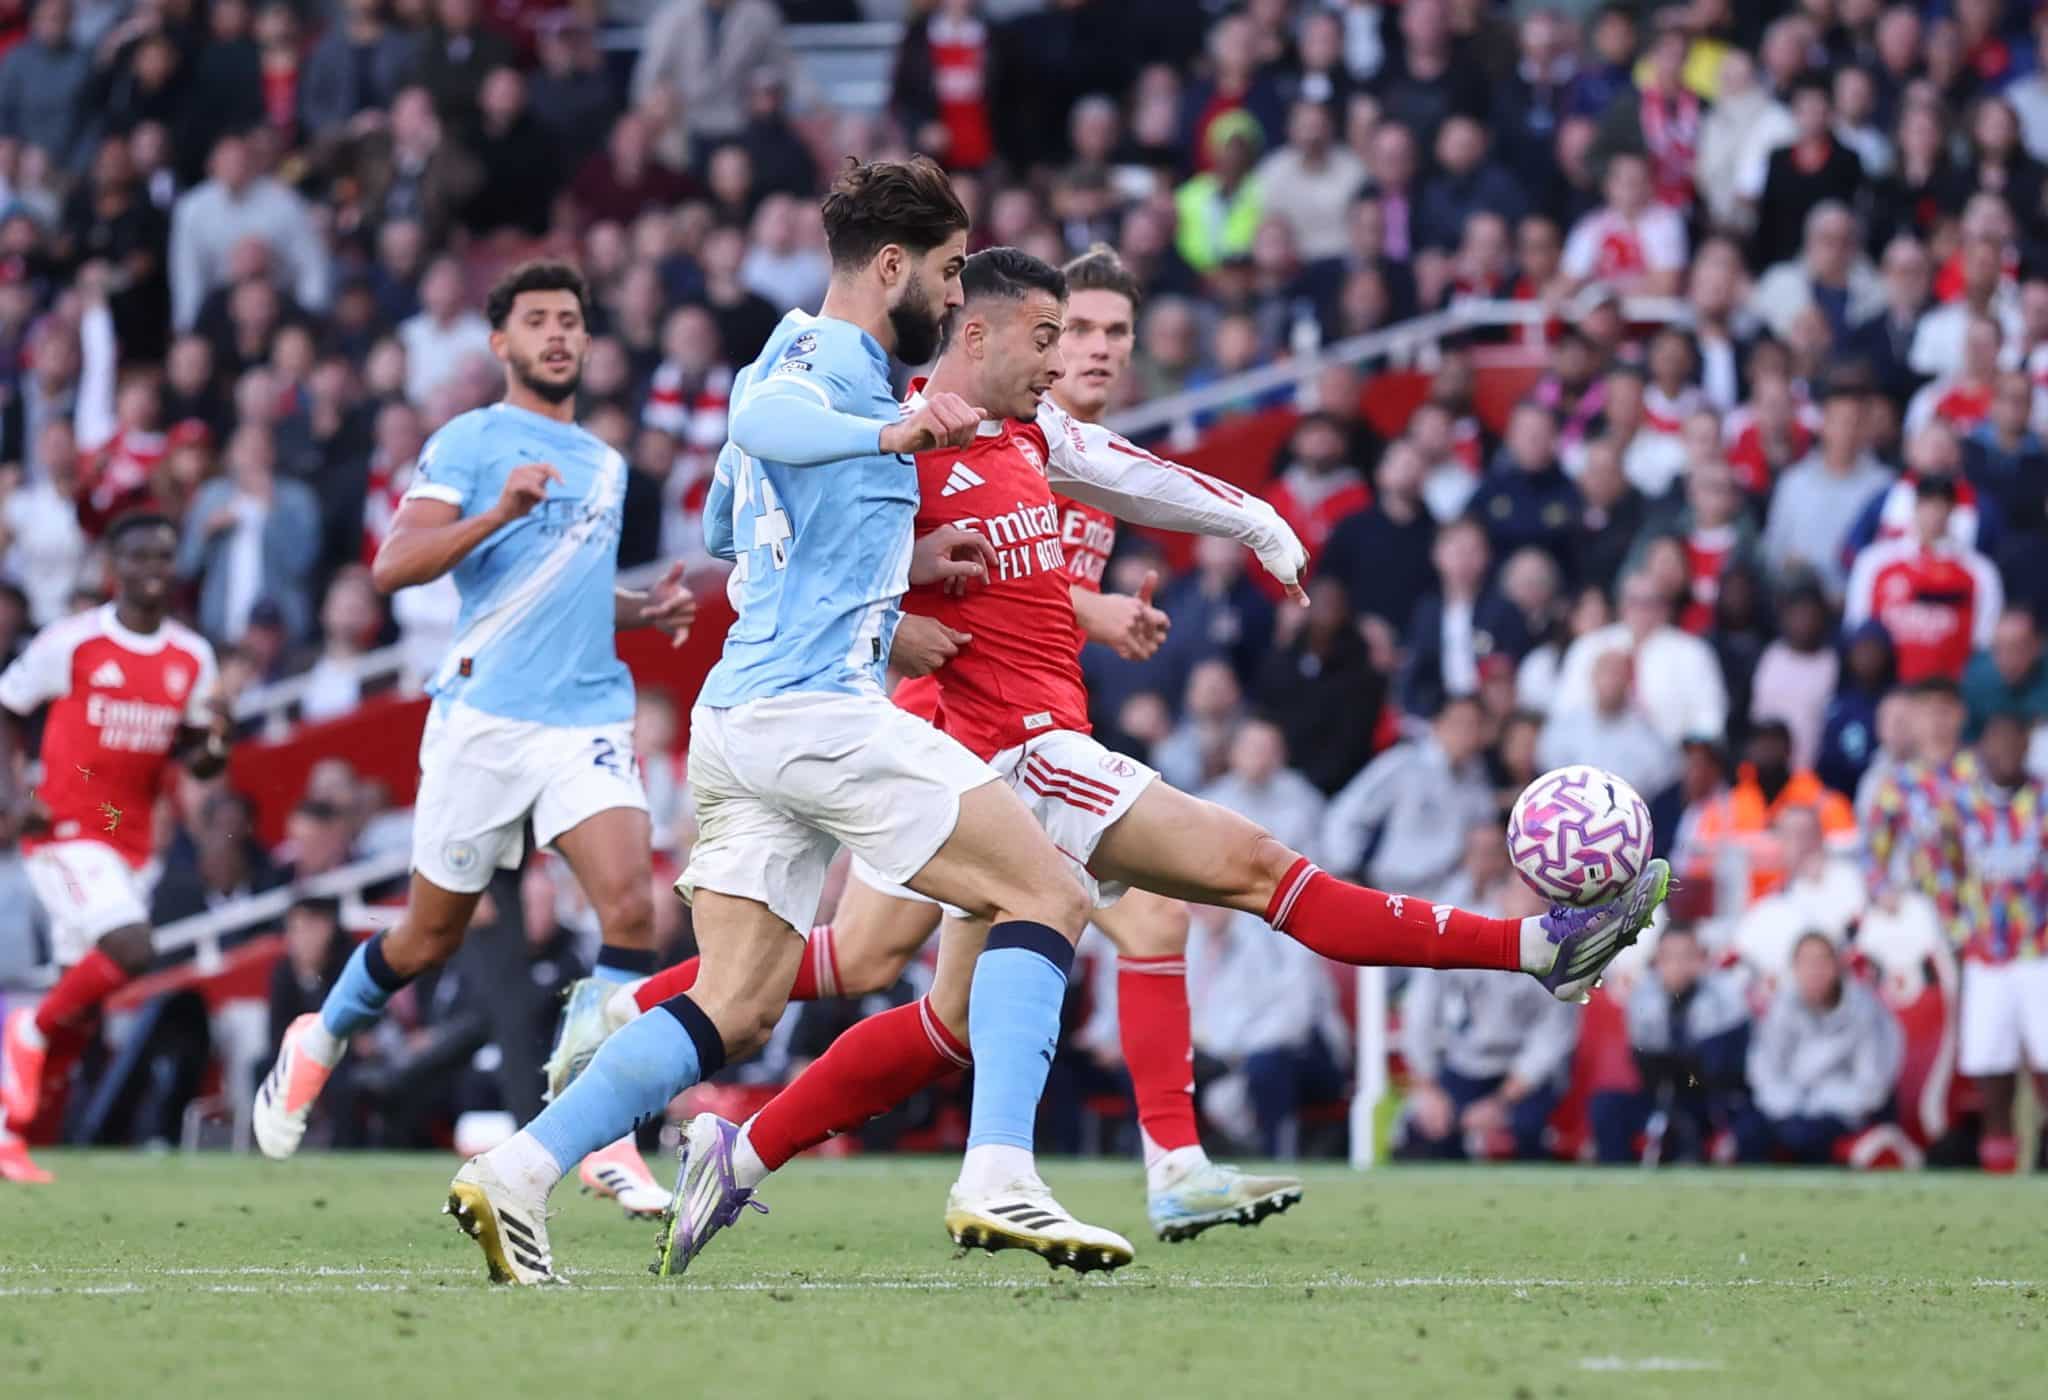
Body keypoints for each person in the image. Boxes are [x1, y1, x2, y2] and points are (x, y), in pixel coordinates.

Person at [561, 245, 1308, 1247]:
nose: (1087, 350)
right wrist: (903, 609)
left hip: (1020, 722)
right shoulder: (944, 413)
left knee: (968, 984)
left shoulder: (1068, 443)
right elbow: (811, 539)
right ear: (996, 332)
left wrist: (1125, 590)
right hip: (938, 713)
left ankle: (730, 1132)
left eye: (1109, 333)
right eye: (1068, 330)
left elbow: (1031, 565)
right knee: (933, 943)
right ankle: (632, 1027)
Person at [249, 263, 695, 1212]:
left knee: (631, 910)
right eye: (537, 321)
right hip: (484, 722)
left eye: (572, 320)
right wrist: (498, 511)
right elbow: (394, 563)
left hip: (585, 718)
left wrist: (638, 613)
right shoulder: (470, 439)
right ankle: (318, 1036)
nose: (558, 335)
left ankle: (602, 1136)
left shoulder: (607, 463)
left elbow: (561, 590)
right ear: (500, 343)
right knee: (426, 937)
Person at [0, 513, 232, 1185]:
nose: (153, 568)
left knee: (83, 1011)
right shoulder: (72, 643)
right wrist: (14, 799)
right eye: (138, 556)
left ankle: (11, 1134)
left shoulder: (193, 656)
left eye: (164, 554)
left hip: (129, 837)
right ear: (113, 566)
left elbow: (201, 755)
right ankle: (25, 1030)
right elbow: (8, 706)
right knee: (133, 948)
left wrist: (218, 741)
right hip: (69, 825)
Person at [1941, 712, 2048, 1172]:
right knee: (1990, 1069)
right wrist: (1962, 932)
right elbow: (1942, 872)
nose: (2005, 752)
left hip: (2039, 953)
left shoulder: (2044, 802)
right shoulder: (1961, 806)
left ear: (2027, 747)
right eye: (1996, 743)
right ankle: (1999, 1168)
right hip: (1986, 957)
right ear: (1982, 748)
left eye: (2014, 742)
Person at [1591, 924, 1751, 1165]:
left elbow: (1720, 1064)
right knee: (1606, 1106)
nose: (1678, 965)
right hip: (1662, 1094)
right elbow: (1644, 1058)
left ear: (1702, 958)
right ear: (1657, 961)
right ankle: (1618, 1180)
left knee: (1748, 1122)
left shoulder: (1725, 994)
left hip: (1712, 1099)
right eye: (1669, 957)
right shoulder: (1644, 993)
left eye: (1687, 956)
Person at [1738, 932, 1903, 1164]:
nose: (1814, 970)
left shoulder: (1865, 1011)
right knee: (1748, 1132)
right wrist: (1789, 1105)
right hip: (1787, 1107)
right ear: (1794, 969)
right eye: (1806, 963)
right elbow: (1764, 1068)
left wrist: (1817, 1103)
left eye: (1821, 961)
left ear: (1837, 966)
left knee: (1805, 1138)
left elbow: (1872, 1083)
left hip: (1842, 1111)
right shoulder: (1781, 1007)